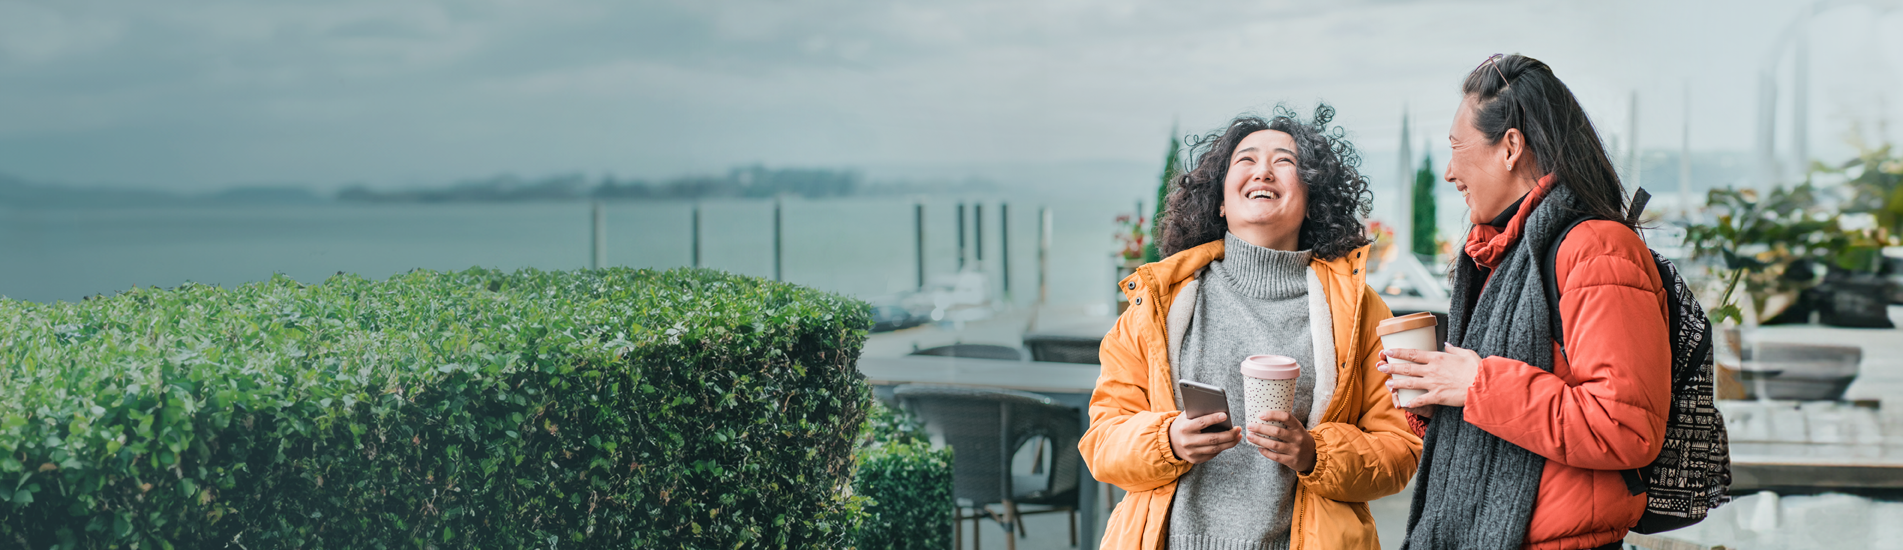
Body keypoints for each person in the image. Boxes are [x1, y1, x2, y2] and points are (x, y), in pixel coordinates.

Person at [1079, 104, 1421, 550]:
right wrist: (1168, 440)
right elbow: (1103, 441)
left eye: (1284, 161)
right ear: (1219, 201)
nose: (1263, 171)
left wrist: (1315, 453)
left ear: (1313, 199)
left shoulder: (1360, 312)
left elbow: (1399, 447)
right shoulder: (1157, 304)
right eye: (1246, 160)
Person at [1380, 54, 1673, 550]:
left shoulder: (1597, 249)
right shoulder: (1501, 255)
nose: (1450, 172)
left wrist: (1475, 384)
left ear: (1510, 146)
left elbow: (1625, 426)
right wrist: (1440, 400)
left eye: (1456, 148)